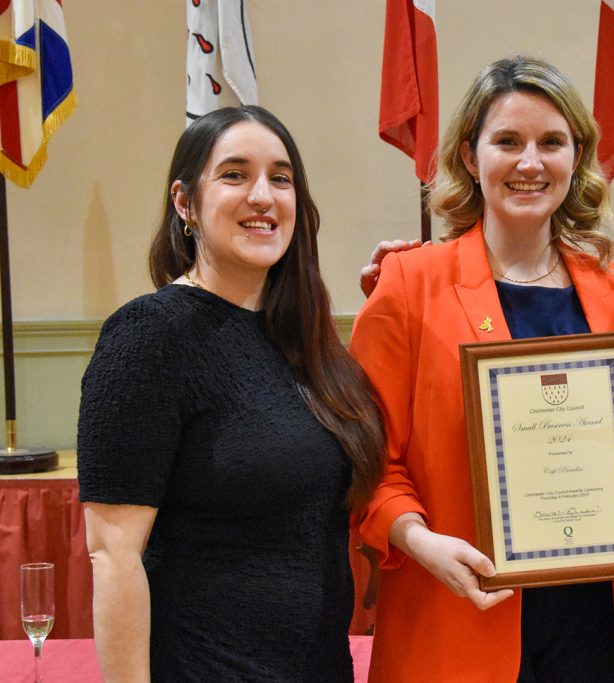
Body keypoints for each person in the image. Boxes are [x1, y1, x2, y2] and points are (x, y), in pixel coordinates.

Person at [349, 55, 614, 682]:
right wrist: (419, 541)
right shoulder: (408, 285)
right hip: (459, 619)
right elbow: (367, 461)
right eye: (507, 141)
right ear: (471, 158)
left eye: (551, 142)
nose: (530, 163)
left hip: (600, 628)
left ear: (576, 157)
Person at [78, 105, 385, 682]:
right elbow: (112, 554)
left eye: (281, 177)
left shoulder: (303, 339)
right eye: (235, 174)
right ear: (184, 203)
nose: (263, 196)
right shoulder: (149, 336)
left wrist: (403, 295)